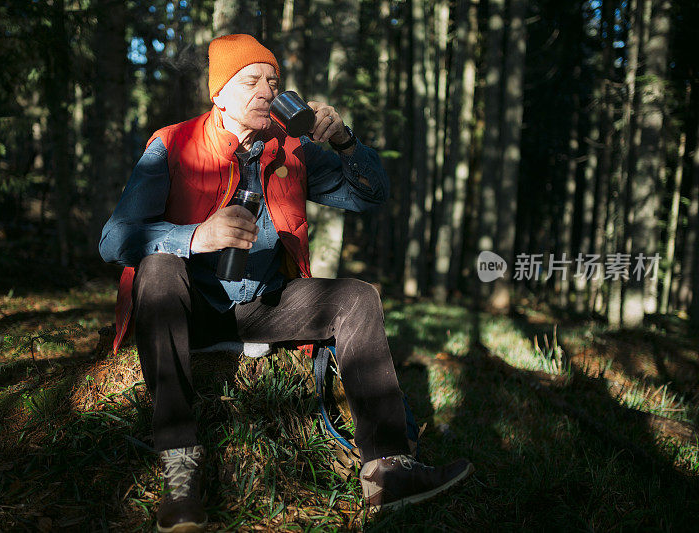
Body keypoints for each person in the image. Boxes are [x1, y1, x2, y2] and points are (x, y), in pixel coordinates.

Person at [100, 33, 474, 533]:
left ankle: (389, 470)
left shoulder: (291, 149)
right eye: (250, 80)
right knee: (158, 267)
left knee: (357, 297)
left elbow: (371, 196)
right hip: (187, 304)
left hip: (263, 303)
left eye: (273, 82)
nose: (264, 91)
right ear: (220, 94)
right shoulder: (172, 143)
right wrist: (195, 237)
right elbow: (114, 240)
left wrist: (344, 142)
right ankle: (180, 471)